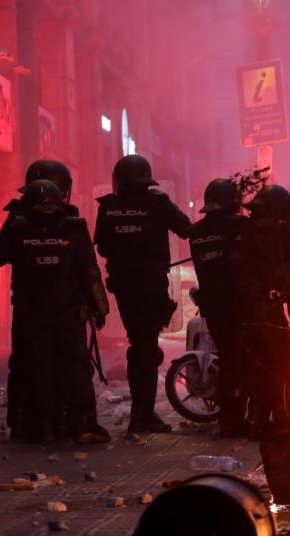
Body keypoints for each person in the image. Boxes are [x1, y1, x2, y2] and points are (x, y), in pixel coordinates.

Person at [0, 179, 111, 443]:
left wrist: (15, 218)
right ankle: (82, 426)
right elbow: (89, 272)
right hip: (68, 314)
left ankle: (43, 428)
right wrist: (100, 309)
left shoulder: (20, 228)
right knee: (77, 368)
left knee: (39, 368)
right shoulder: (74, 228)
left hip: (31, 317)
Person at [94, 155, 190, 436]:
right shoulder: (157, 203)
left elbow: (102, 248)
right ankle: (142, 416)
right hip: (151, 288)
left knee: (139, 346)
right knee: (145, 350)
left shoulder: (108, 207)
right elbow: (186, 228)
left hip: (125, 289)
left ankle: (142, 414)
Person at [0, 160, 80, 438]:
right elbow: (85, 266)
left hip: (27, 308)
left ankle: (29, 426)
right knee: (60, 364)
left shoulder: (18, 218)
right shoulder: (68, 219)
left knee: (28, 364)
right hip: (62, 307)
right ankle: (56, 424)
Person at [233, 184, 290, 435]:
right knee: (277, 362)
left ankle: (256, 418)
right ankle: (274, 419)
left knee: (257, 363)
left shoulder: (246, 230)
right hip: (264, 308)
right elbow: (275, 269)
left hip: (248, 309)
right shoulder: (266, 232)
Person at [188, 178, 248, 436]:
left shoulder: (197, 232)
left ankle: (227, 419)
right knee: (242, 361)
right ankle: (235, 422)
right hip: (239, 304)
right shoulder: (240, 226)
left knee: (228, 359)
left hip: (212, 305)